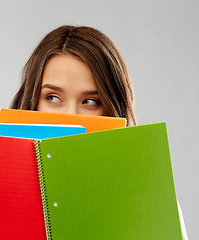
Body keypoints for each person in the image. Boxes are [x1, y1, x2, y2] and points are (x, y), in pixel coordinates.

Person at [11, 25, 188, 239]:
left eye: (90, 101)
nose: (70, 118)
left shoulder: (154, 202)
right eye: (53, 98)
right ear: (31, 102)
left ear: (111, 111)